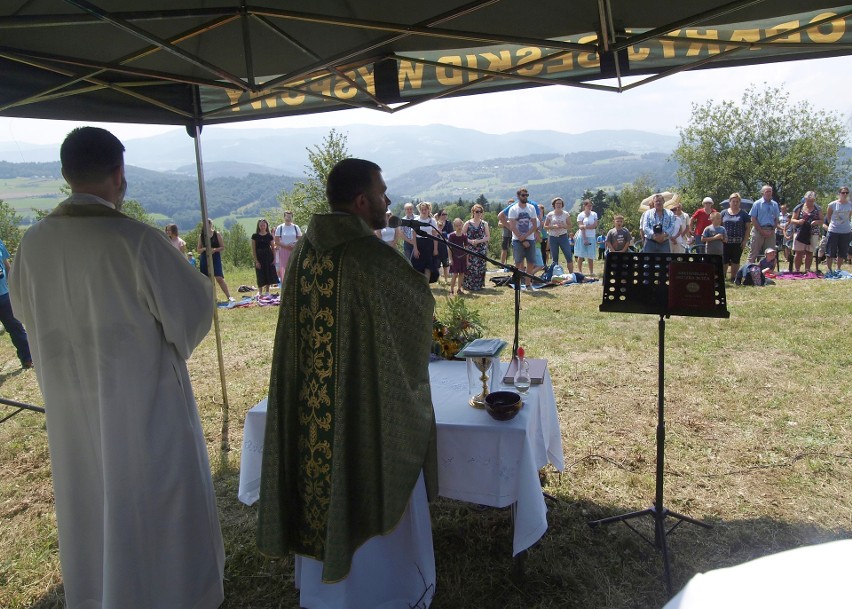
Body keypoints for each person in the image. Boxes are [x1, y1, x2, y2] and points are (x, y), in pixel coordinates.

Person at [10, 127, 224, 609]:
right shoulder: (138, 243)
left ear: (66, 174)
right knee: (158, 504)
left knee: (89, 505)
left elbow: (24, 314)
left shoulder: (31, 246)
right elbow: (193, 312)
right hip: (144, 410)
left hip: (70, 410)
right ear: (118, 173)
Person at [257, 158, 437, 609]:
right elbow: (417, 305)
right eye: (382, 192)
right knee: (364, 466)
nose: (388, 200)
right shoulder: (367, 256)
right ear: (362, 201)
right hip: (361, 408)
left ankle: (323, 593)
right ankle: (384, 592)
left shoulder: (304, 251)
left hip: (311, 409)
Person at [0, 237, 33, 369]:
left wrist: (14, 281)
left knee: (16, 327)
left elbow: (6, 263)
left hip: (4, 295)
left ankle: (27, 358)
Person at [198, 218, 235, 301]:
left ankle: (229, 296)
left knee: (219, 277)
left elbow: (222, 247)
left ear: (211, 224)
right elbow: (198, 250)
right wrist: (204, 249)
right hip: (205, 258)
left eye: (208, 224)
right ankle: (211, 298)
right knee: (207, 279)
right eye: (205, 224)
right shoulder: (201, 236)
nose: (206, 226)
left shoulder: (216, 234)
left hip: (215, 257)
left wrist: (215, 250)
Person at [508, 191, 538, 290]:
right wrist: (521, 238)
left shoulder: (531, 208)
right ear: (518, 196)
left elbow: (534, 225)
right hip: (517, 239)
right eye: (523, 195)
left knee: (531, 262)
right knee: (518, 262)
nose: (525, 197)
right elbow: (512, 226)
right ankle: (518, 284)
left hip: (530, 238)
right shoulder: (513, 209)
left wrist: (526, 236)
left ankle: (528, 284)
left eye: (527, 195)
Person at [721, 193, 751, 281]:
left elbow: (748, 228)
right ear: (729, 202)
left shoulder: (744, 214)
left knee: (735, 260)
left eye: (737, 201)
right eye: (733, 201)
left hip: (738, 242)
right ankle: (723, 277)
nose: (735, 203)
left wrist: (745, 241)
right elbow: (719, 226)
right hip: (724, 242)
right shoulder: (723, 213)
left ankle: (733, 278)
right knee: (724, 260)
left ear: (739, 203)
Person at [790, 191, 822, 274]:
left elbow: (822, 220)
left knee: (809, 251)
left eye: (812, 201)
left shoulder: (818, 208)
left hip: (813, 232)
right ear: (805, 199)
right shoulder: (799, 207)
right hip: (800, 231)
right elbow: (792, 219)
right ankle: (797, 270)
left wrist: (816, 222)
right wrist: (798, 221)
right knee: (798, 251)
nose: (810, 202)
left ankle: (807, 269)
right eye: (808, 200)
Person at [748, 185, 780, 263]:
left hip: (771, 231)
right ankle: (748, 272)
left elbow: (776, 219)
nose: (769, 193)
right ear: (762, 193)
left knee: (771, 253)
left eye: (770, 191)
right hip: (758, 230)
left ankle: (769, 272)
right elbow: (753, 219)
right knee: (754, 253)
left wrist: (773, 230)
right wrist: (761, 231)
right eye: (767, 192)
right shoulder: (757, 204)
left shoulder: (775, 204)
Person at [823, 186, 851, 277]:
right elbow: (828, 216)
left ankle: (838, 268)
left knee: (842, 251)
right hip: (834, 230)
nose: (845, 194)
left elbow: (849, 216)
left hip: (846, 230)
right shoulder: (832, 204)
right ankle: (829, 269)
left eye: (847, 193)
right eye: (843, 192)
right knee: (831, 250)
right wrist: (833, 224)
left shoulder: (850, 204)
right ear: (839, 193)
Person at [462, 203, 490, 291]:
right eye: (477, 211)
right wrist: (470, 241)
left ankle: (479, 285)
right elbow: (462, 236)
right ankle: (468, 285)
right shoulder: (468, 223)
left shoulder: (484, 224)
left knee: (480, 267)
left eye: (480, 211)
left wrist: (478, 241)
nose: (478, 213)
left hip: (481, 248)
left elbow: (488, 237)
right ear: (473, 212)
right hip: (470, 248)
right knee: (470, 266)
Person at [412, 201, 439, 281]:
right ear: (420, 210)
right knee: (418, 265)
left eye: (425, 210)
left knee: (428, 266)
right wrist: (415, 249)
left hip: (429, 244)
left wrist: (435, 248)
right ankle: (419, 283)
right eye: (422, 210)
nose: (423, 211)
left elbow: (435, 236)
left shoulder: (432, 221)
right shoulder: (416, 220)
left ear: (428, 210)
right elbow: (413, 235)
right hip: (419, 244)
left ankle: (426, 284)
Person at [544, 197, 573, 270]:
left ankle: (571, 274)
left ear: (562, 205)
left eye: (560, 203)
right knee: (555, 257)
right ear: (554, 205)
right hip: (553, 237)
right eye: (557, 203)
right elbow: (545, 226)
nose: (558, 205)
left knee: (568, 255)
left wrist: (563, 226)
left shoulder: (566, 214)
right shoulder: (550, 214)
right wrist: (553, 226)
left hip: (563, 236)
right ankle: (555, 274)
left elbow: (570, 225)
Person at [274, 210, 301, 283]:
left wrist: (294, 245)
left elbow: (300, 239)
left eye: (290, 216)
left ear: (292, 217)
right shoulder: (280, 228)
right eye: (287, 216)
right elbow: (276, 241)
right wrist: (286, 246)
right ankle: (285, 286)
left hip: (294, 250)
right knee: (284, 269)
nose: (288, 218)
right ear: (284, 217)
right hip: (283, 251)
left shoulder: (296, 227)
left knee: (294, 267)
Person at [252, 218, 277, 296]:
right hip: (259, 256)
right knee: (259, 274)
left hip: (268, 256)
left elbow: (273, 248)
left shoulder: (269, 236)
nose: (262, 226)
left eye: (264, 224)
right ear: (258, 226)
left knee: (268, 273)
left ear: (266, 225)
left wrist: (274, 259)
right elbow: (253, 249)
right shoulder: (254, 236)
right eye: (261, 225)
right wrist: (256, 261)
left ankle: (267, 291)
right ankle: (259, 291)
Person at [574, 200, 599, 274]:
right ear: (584, 206)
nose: (590, 207)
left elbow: (594, 225)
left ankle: (591, 272)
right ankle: (580, 271)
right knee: (581, 255)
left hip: (591, 236)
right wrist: (584, 239)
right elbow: (580, 227)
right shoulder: (580, 215)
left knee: (590, 256)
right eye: (588, 205)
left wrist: (585, 226)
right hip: (582, 236)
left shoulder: (594, 214)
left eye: (591, 205)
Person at [447, 217, 468, 295]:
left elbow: (466, 248)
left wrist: (467, 260)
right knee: (455, 274)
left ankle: (459, 289)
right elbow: (449, 248)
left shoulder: (464, 236)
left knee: (461, 274)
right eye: (457, 226)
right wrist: (450, 259)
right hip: (455, 257)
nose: (459, 227)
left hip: (462, 257)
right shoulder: (452, 236)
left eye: (460, 225)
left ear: (462, 225)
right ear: (454, 226)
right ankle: (451, 289)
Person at [435, 208, 452, 284]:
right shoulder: (435, 223)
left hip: (446, 247)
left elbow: (451, 234)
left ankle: (446, 279)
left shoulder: (449, 223)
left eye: (446, 214)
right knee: (437, 264)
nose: (445, 216)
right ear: (439, 215)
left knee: (445, 264)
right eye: (443, 214)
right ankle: (438, 279)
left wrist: (444, 234)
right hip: (437, 246)